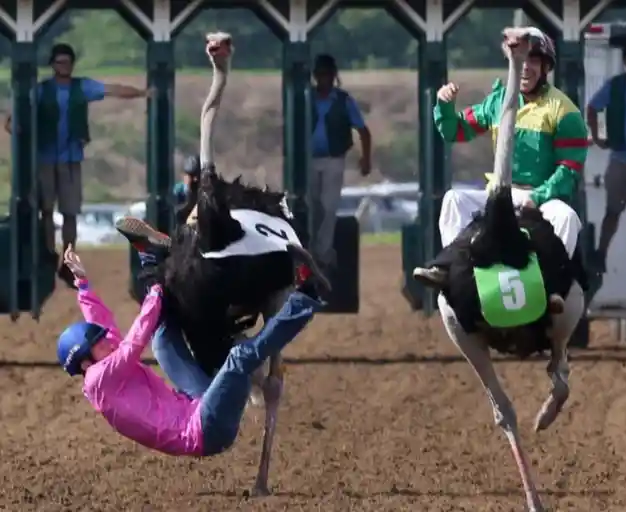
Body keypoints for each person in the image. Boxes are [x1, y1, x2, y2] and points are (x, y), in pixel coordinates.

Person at [56, 244, 321, 456]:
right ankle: (304, 300)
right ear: (84, 364)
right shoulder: (98, 381)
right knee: (238, 358)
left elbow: (105, 327)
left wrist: (82, 284)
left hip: (194, 404)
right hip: (204, 431)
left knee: (162, 336)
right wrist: (155, 292)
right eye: (98, 344)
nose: (106, 342)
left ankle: (158, 263)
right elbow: (132, 344)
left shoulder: (102, 369)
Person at [417, 27, 588, 287]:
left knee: (567, 218)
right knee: (454, 199)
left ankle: (554, 285)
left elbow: (570, 169)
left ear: (545, 67)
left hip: (541, 198)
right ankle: (450, 269)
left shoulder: (565, 111)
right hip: (499, 192)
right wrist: (444, 105)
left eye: (534, 60)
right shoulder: (497, 101)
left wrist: (539, 196)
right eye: (522, 60)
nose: (526, 68)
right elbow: (455, 131)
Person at [4, 43, 152, 288]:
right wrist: (15, 128)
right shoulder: (41, 90)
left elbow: (111, 90)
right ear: (52, 65)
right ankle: (49, 256)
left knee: (70, 213)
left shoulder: (81, 87)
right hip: (44, 158)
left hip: (71, 158)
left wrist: (142, 93)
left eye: (68, 62)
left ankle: (68, 261)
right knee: (46, 212)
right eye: (60, 62)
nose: (64, 66)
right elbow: (16, 113)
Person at [310, 54, 372, 272]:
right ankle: (309, 249)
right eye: (320, 75)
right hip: (308, 160)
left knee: (328, 206)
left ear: (333, 76)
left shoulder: (344, 100)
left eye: (327, 75)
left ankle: (323, 253)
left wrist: (366, 159)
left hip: (333, 160)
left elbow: (363, 131)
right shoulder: (306, 99)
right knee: (310, 205)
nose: (324, 79)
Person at [586, 40, 626, 273]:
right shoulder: (616, 86)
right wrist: (597, 137)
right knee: (613, 211)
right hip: (622, 158)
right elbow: (592, 107)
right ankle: (601, 253)